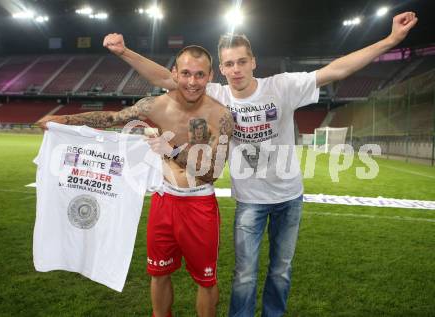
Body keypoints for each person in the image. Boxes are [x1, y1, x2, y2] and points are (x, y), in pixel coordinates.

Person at [103, 11, 417, 317]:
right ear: (221, 70)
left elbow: (336, 70)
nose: (236, 69)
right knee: (244, 275)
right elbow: (164, 77)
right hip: (250, 201)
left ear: (253, 62)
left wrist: (390, 40)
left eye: (242, 61)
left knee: (281, 271)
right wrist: (124, 51)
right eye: (229, 64)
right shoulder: (217, 95)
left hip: (289, 197)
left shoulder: (281, 86)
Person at [37, 45, 234, 317]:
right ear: (174, 73)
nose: (192, 81)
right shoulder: (154, 105)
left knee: (205, 279)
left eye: (200, 75)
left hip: (199, 205)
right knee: (159, 272)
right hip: (164, 200)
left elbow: (213, 172)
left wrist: (173, 150)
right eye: (186, 73)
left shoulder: (221, 117)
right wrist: (62, 119)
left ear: (210, 76)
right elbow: (111, 119)